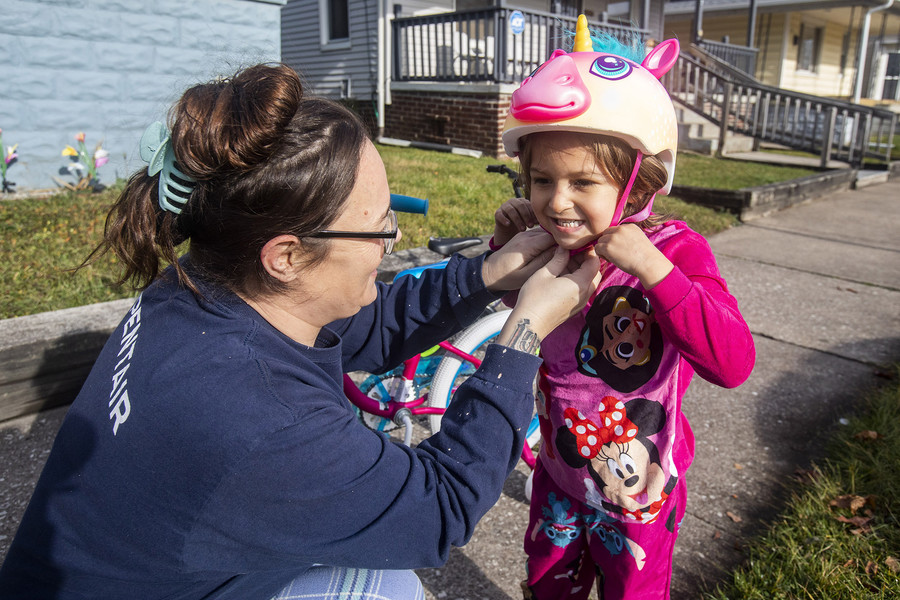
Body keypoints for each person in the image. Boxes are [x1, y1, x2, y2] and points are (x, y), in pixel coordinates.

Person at [0, 63, 605, 599]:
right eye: (378, 227)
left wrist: (486, 275)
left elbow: (361, 323)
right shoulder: (259, 418)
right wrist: (521, 336)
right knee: (390, 587)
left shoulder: (199, 285)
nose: (390, 241)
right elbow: (439, 509)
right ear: (285, 256)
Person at [490, 16, 756, 600]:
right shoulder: (551, 242)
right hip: (558, 477)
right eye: (540, 179)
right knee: (547, 586)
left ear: (639, 180)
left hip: (639, 495)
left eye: (583, 182)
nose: (556, 202)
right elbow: (521, 314)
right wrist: (504, 248)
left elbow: (733, 363)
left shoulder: (675, 250)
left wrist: (656, 272)